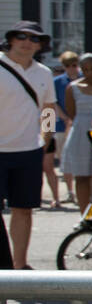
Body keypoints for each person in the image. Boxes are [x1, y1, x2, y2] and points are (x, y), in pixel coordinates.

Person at [0, 21, 57, 270]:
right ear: (11, 39)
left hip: (28, 151)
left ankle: (19, 265)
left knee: (23, 210)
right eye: (21, 36)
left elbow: (48, 108)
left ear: (41, 45)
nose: (27, 42)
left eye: (34, 39)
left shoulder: (44, 72)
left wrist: (46, 140)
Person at [60, 53, 92, 214]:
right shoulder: (68, 86)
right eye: (85, 69)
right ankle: (84, 214)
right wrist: (48, 130)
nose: (89, 73)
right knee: (81, 176)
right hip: (76, 130)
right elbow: (53, 107)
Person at [51, 49, 80, 207]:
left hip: (81, 124)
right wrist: (63, 117)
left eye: (74, 65)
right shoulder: (57, 82)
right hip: (61, 125)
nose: (71, 68)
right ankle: (68, 192)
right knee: (64, 159)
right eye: (67, 65)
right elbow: (51, 103)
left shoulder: (85, 78)